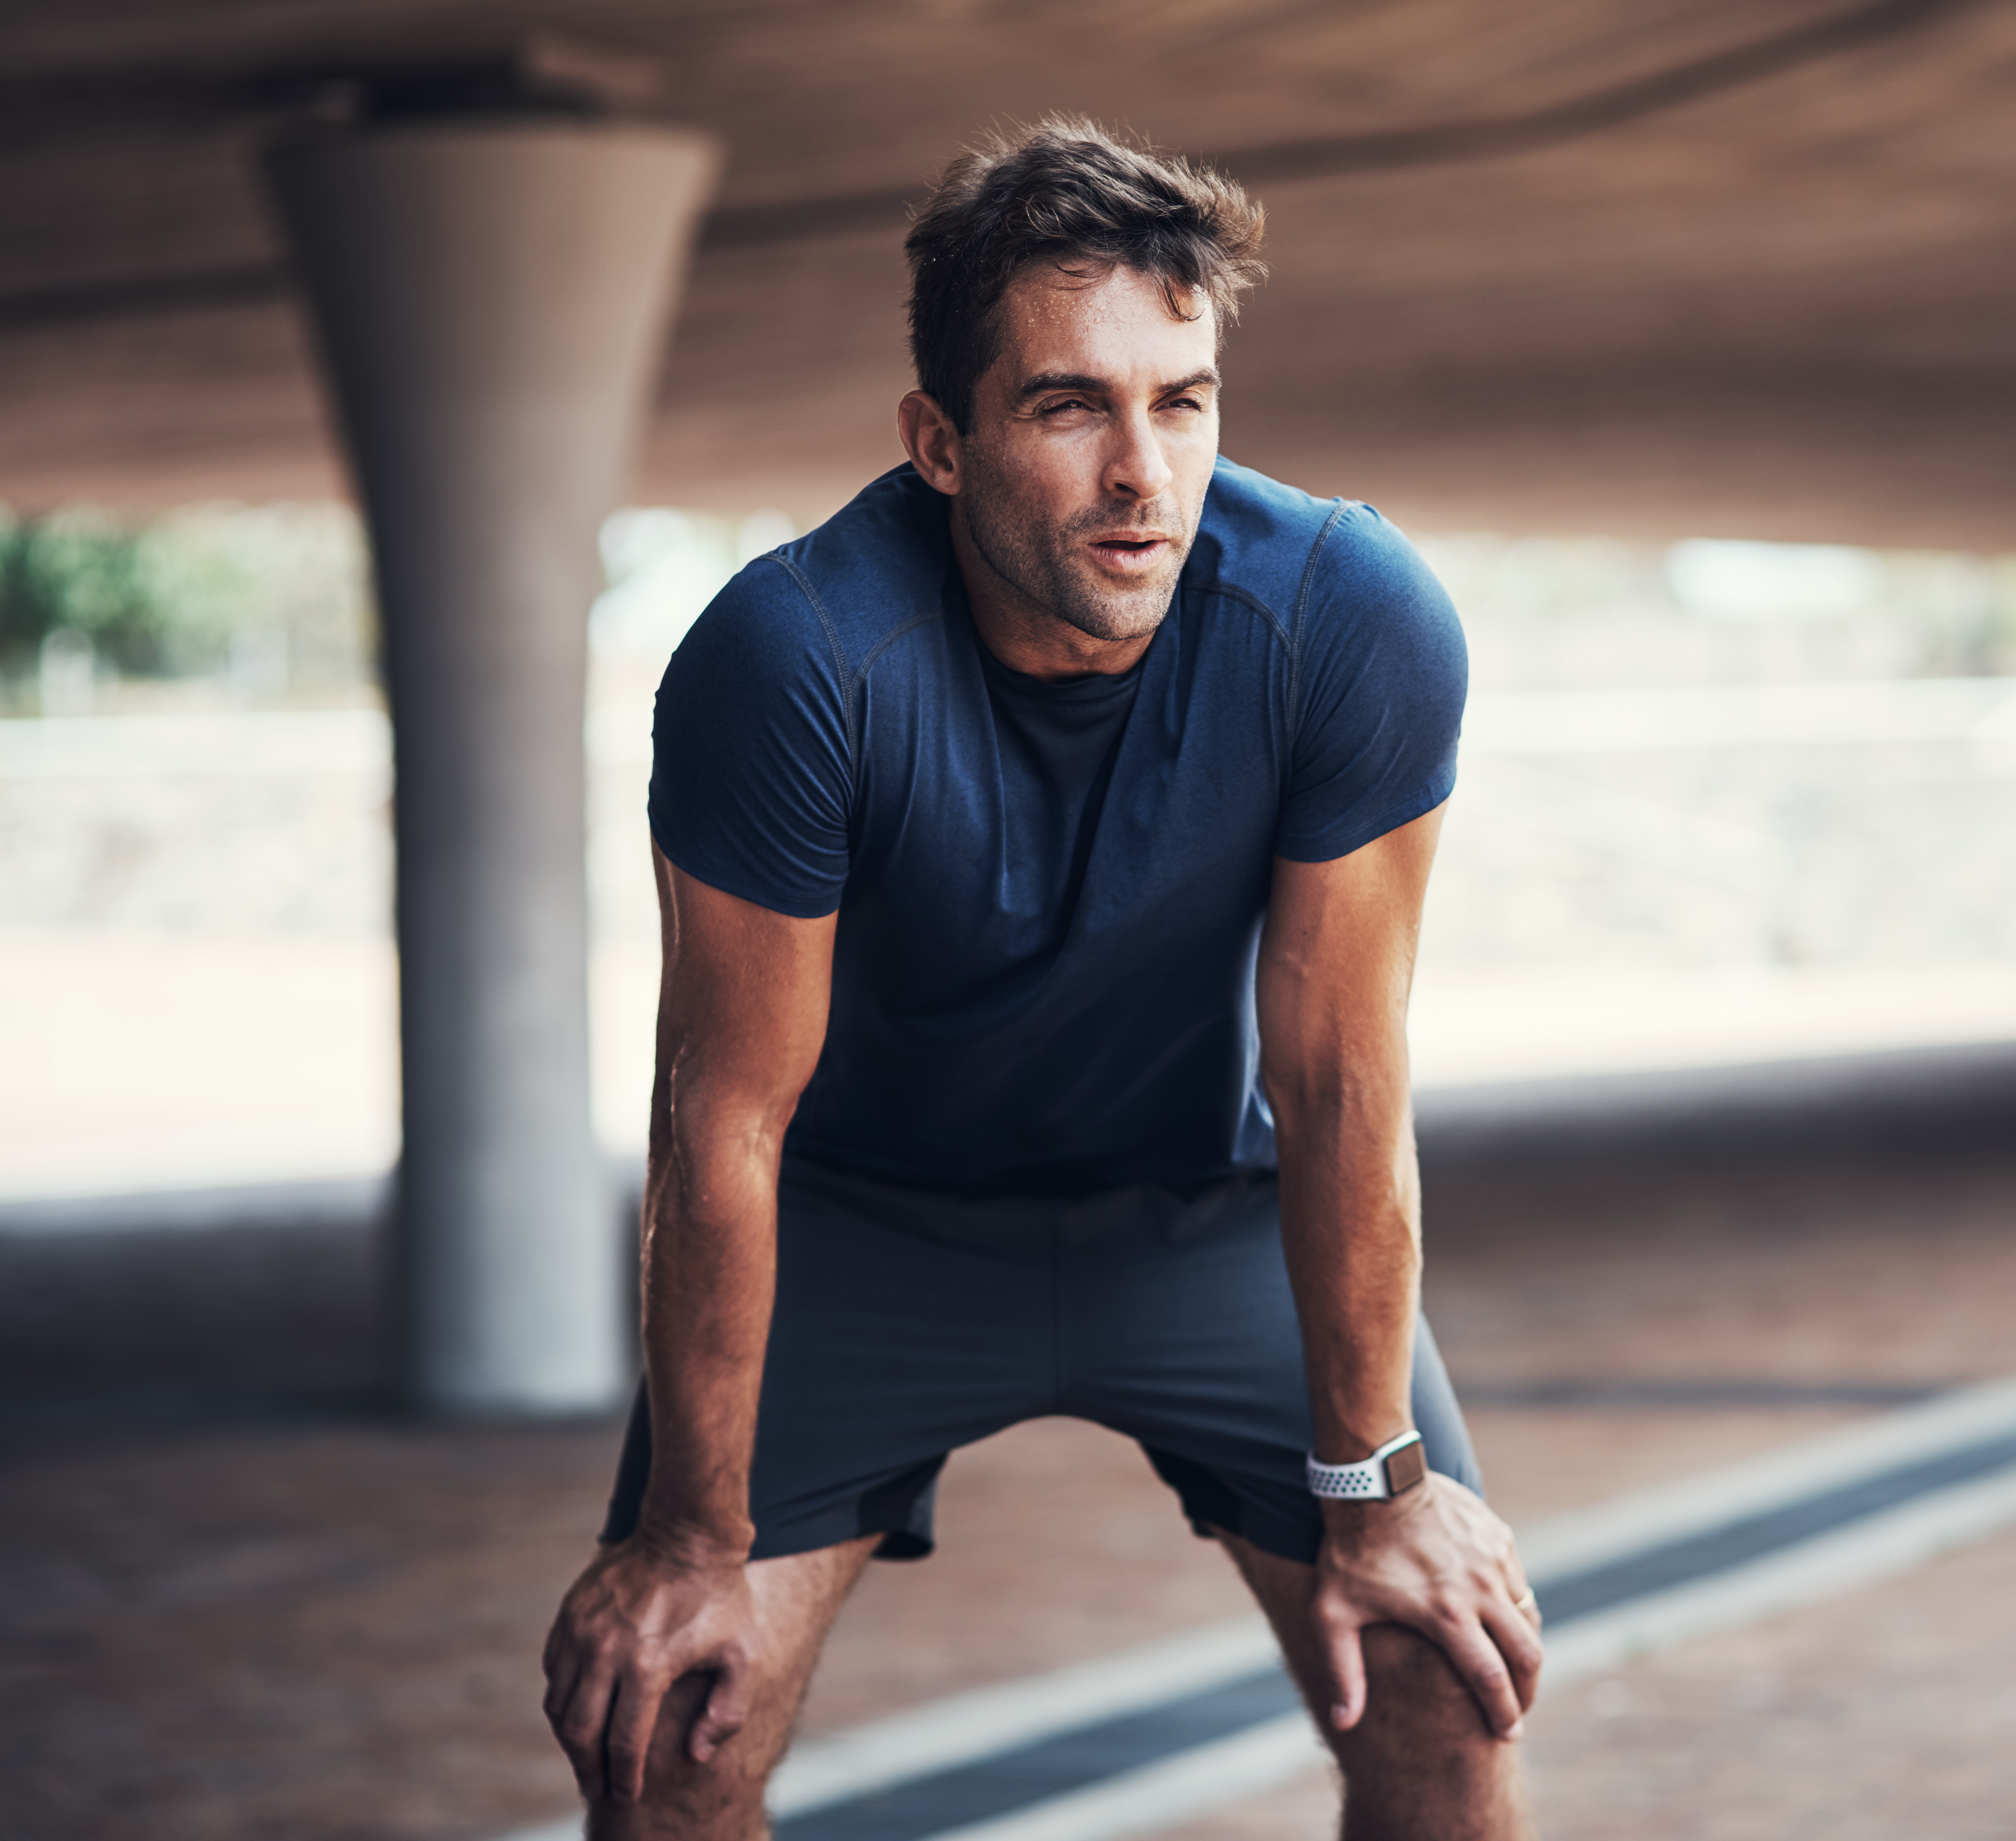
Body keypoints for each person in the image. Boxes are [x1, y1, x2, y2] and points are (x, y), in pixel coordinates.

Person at [540, 118, 1541, 1839]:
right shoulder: (793, 658)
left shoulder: (1345, 615)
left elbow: (1336, 1082)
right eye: (1071, 407)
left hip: (1213, 1216)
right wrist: (689, 1541)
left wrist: (1379, 1492)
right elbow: (724, 1122)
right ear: (940, 442)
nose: (1143, 474)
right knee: (669, 1728)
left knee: (1442, 1679)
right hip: (866, 1225)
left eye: (1183, 402)